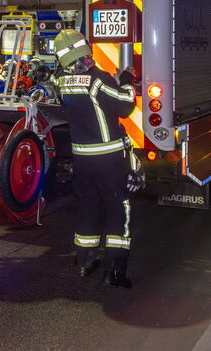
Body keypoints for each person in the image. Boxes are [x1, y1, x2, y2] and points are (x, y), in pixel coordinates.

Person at [51, 29, 144, 289]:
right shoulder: (97, 80)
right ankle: (115, 271)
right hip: (109, 159)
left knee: (88, 209)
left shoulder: (60, 80)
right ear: (85, 49)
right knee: (118, 210)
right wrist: (126, 79)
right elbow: (125, 105)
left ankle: (85, 262)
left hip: (82, 160)